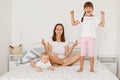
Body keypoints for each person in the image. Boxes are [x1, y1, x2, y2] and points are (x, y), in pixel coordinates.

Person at [70, 1, 105, 72]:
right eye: (86, 8)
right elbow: (73, 23)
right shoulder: (82, 18)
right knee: (82, 53)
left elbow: (102, 24)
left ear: (92, 9)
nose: (88, 9)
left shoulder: (95, 18)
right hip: (83, 37)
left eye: (90, 8)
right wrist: (72, 14)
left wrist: (102, 16)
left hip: (91, 38)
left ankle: (91, 68)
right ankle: (81, 68)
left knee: (91, 53)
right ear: (84, 9)